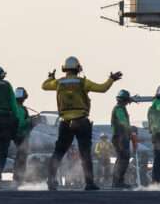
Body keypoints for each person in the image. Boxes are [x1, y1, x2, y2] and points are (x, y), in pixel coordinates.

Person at [42, 56, 122, 191]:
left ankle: (51, 180)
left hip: (65, 122)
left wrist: (50, 77)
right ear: (78, 68)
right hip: (81, 121)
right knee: (85, 153)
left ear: (64, 69)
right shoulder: (82, 82)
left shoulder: (59, 83)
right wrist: (111, 79)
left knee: (58, 152)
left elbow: (44, 86)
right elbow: (102, 88)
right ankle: (89, 183)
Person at [111, 89, 135, 189]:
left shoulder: (120, 108)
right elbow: (123, 122)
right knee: (123, 158)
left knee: (122, 158)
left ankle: (118, 181)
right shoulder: (119, 109)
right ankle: (117, 181)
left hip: (121, 136)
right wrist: (131, 131)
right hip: (119, 137)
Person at [12, 87, 33, 186]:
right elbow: (20, 124)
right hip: (20, 136)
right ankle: (18, 178)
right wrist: (30, 121)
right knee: (21, 157)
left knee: (21, 157)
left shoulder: (15, 108)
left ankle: (18, 178)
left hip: (18, 135)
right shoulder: (20, 109)